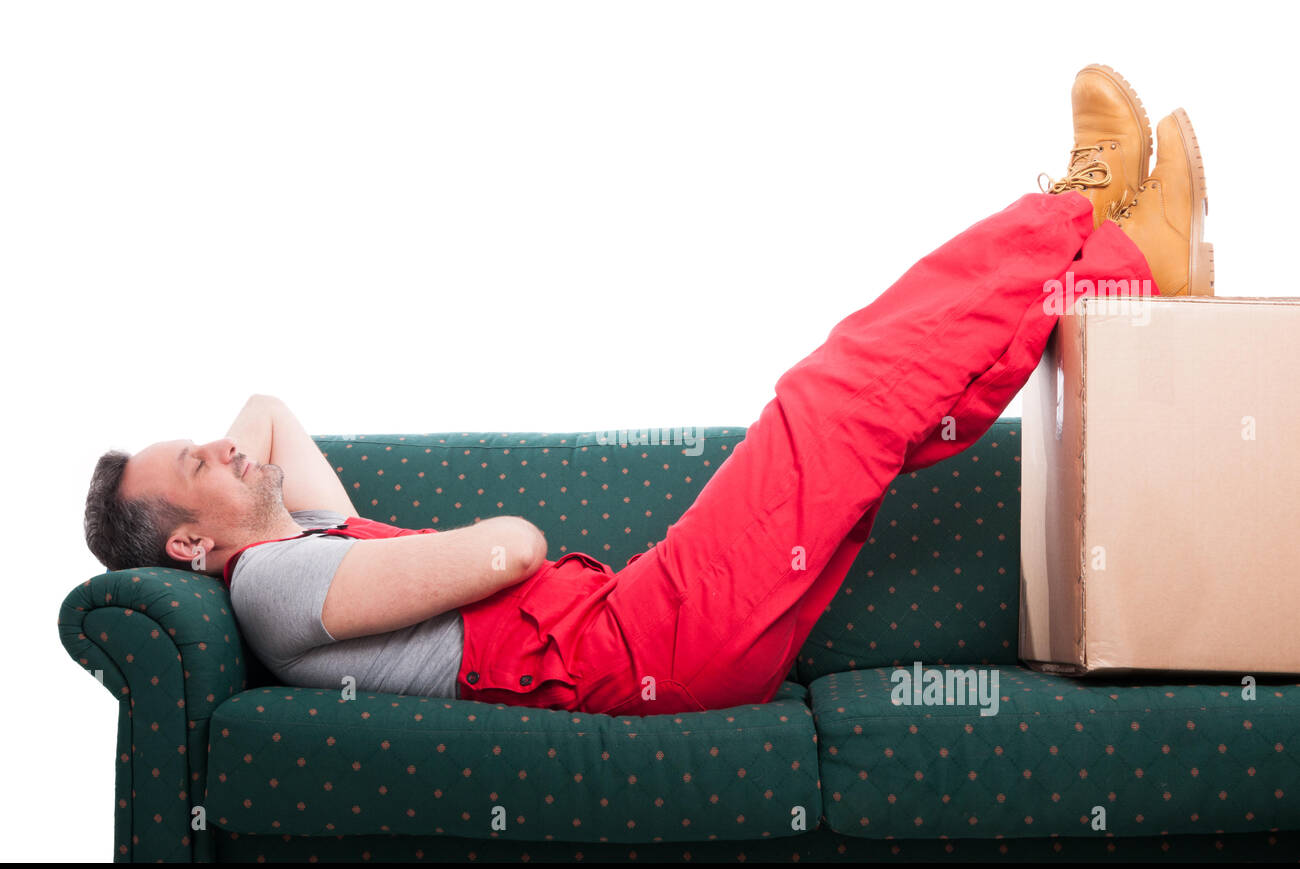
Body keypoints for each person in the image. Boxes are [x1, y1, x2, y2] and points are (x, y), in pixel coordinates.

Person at [82, 64, 1212, 716]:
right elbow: (513, 550)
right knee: (837, 393)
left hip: (653, 626)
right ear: (187, 548)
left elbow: (266, 405)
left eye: (206, 443)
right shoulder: (276, 584)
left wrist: (218, 478)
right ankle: (1089, 228)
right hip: (649, 640)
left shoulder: (297, 539)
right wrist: (233, 517)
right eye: (196, 465)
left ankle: (1105, 264)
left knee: (878, 420)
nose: (224, 448)